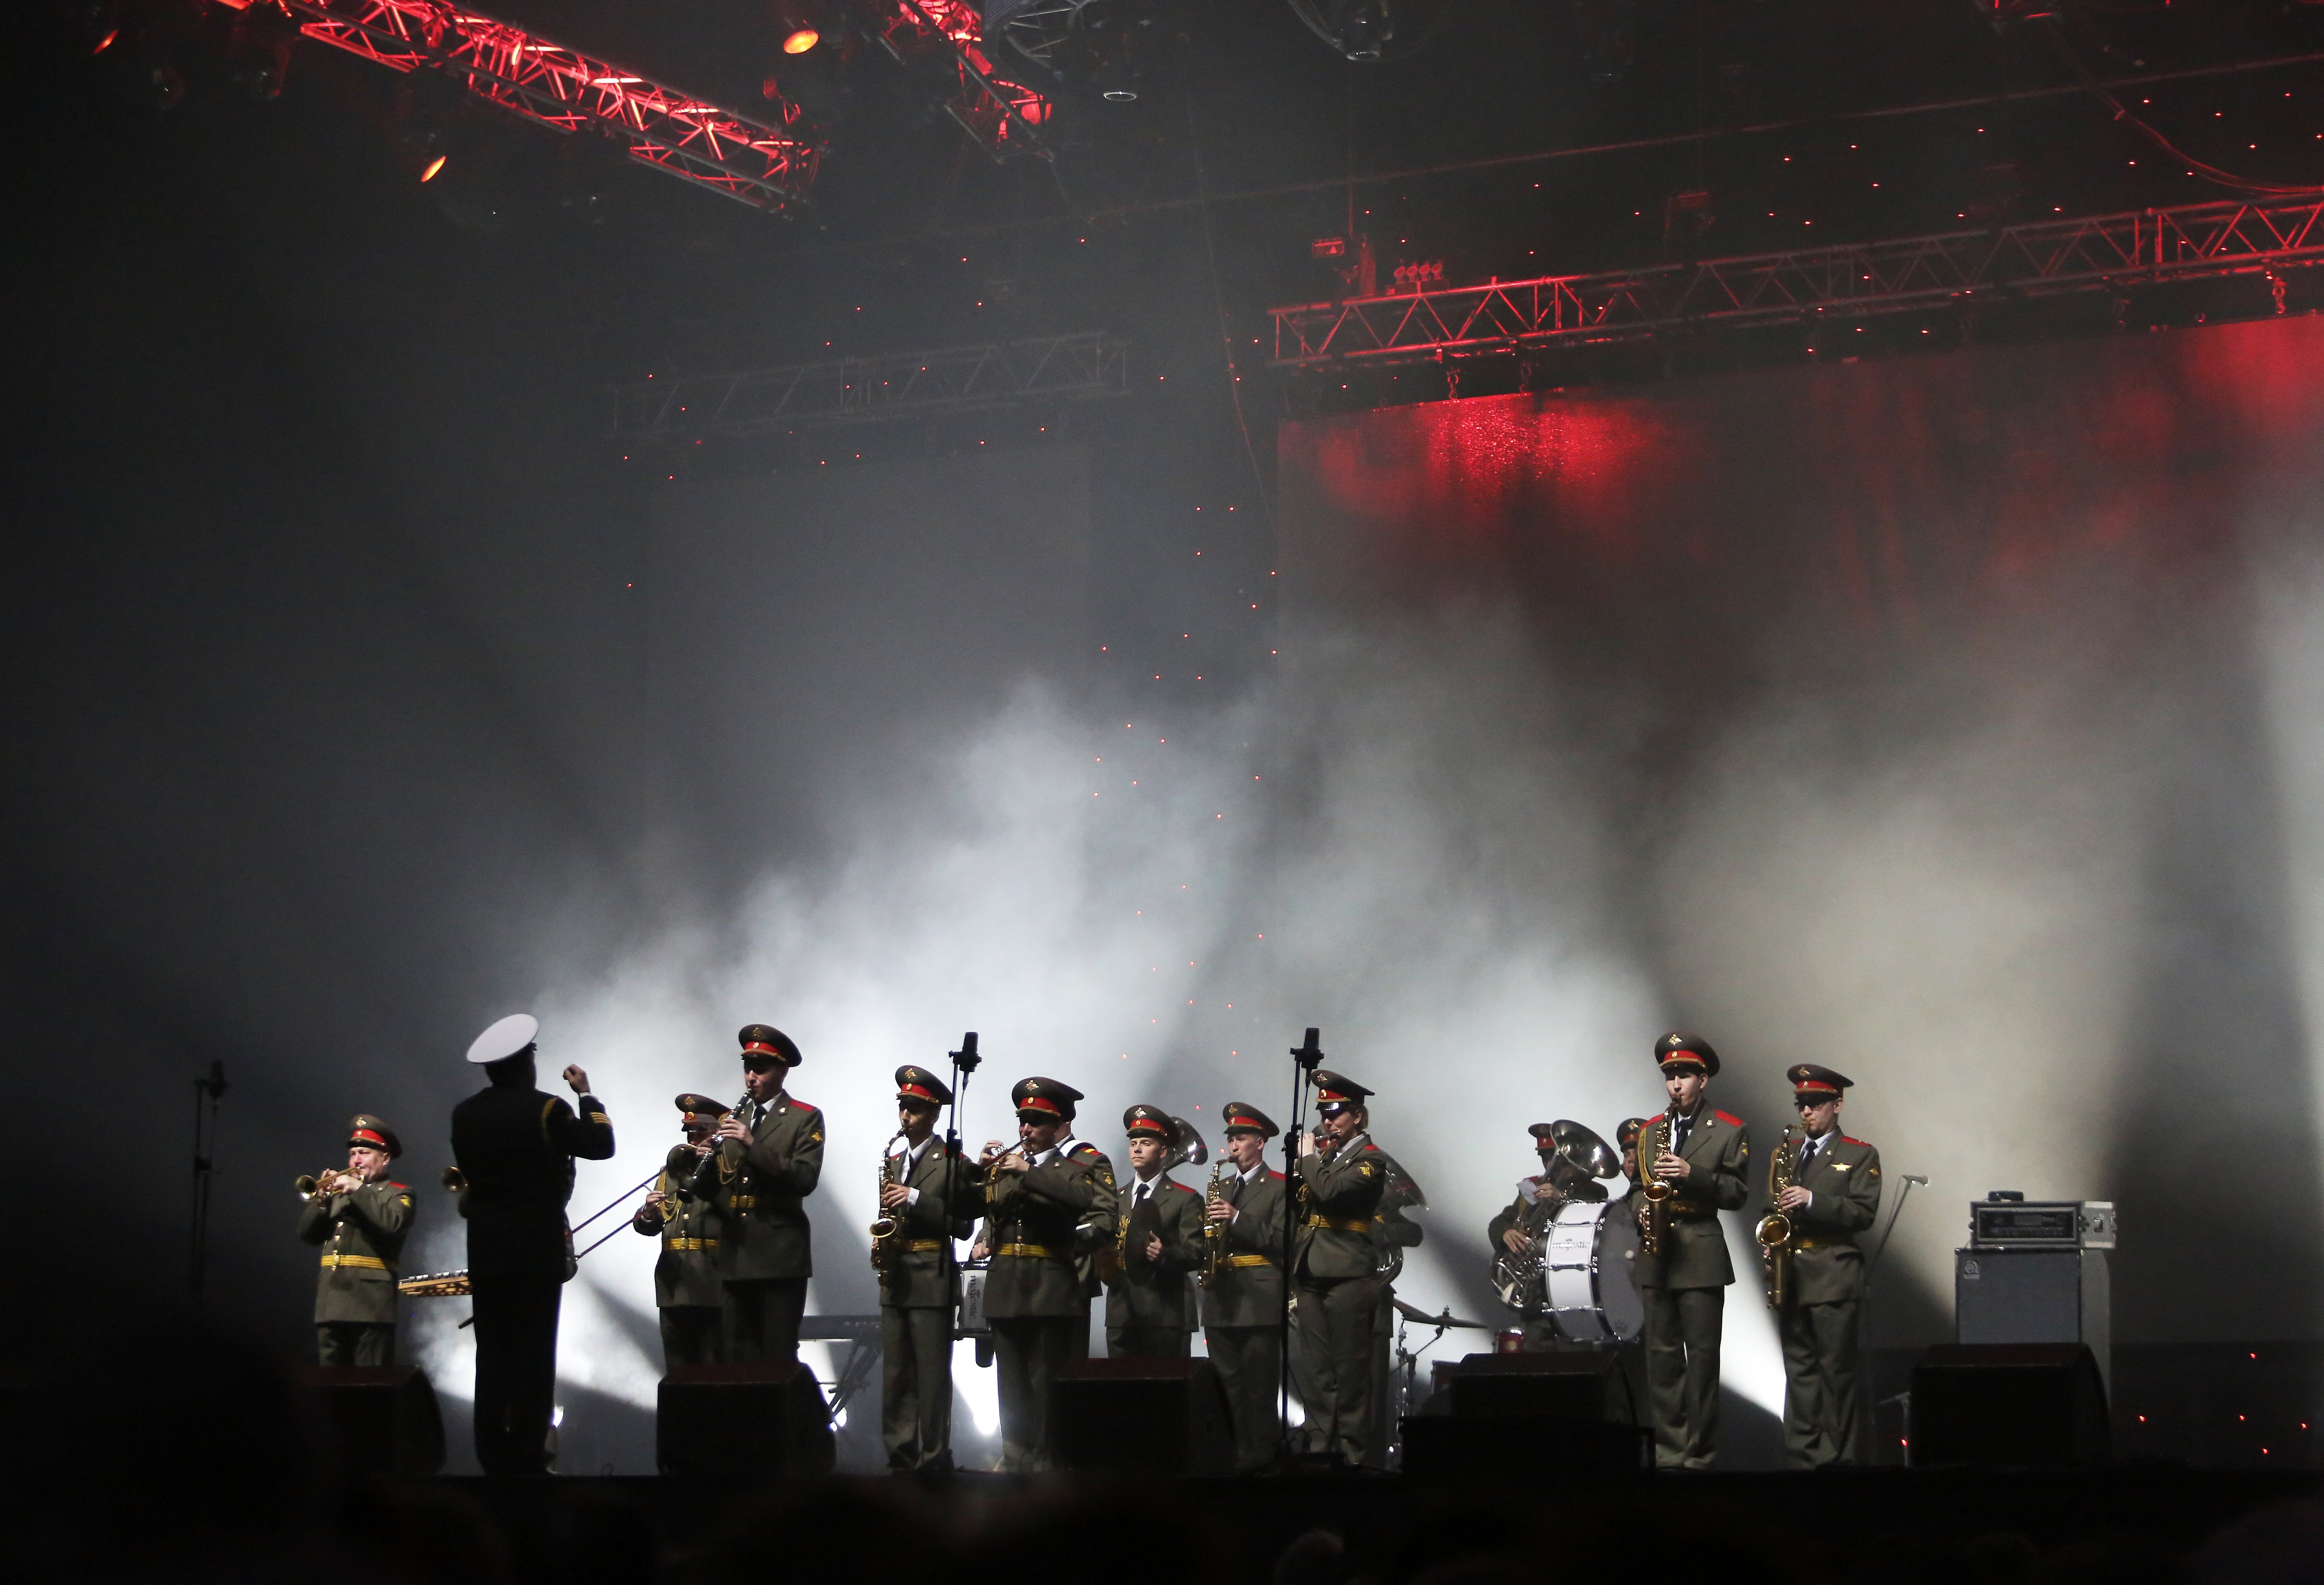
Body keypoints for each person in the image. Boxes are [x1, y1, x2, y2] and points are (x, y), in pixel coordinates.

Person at [449, 1013, 615, 1476]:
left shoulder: (464, 1114)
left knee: (492, 1358)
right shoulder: (548, 1109)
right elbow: (601, 1143)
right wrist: (586, 1095)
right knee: (533, 1359)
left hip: (486, 1252)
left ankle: (492, 1459)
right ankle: (526, 1461)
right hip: (535, 1251)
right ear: (528, 1063)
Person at [973, 1076, 1116, 1471]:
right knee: (1011, 1386)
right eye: (1022, 1120)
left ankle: (1046, 1466)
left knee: (1047, 1383)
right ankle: (1014, 1460)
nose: (1025, 1129)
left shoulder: (1085, 1162)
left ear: (1060, 1124)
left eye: (1036, 1121)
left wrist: (1029, 1173)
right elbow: (979, 1213)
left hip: (1051, 1284)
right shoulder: (1007, 1165)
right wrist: (978, 1172)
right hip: (1006, 1284)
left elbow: (1095, 1211)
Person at [1627, 1030, 1750, 1470]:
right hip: (1657, 1252)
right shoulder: (1649, 1131)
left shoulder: (1730, 1129)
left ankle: (1700, 1454)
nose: (1675, 1085)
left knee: (1701, 1360)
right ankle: (1669, 1452)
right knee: (1660, 1359)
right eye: (1670, 1077)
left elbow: (1736, 1193)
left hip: (1699, 1251)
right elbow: (1637, 1188)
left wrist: (1690, 1172)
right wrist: (1642, 1212)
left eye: (1684, 1076)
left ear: (1703, 1080)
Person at [1772, 1063, 1882, 1468]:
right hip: (1792, 1275)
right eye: (1801, 1103)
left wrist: (1812, 1200)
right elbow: (1772, 1209)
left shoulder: (1859, 1153)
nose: (1806, 1111)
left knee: (1836, 1374)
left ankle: (1839, 1461)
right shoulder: (1786, 1153)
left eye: (1816, 1103)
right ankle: (1803, 1458)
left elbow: (1863, 1213)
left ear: (1837, 1105)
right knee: (1799, 1372)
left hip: (1834, 1273)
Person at [875, 1065, 978, 1471]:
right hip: (897, 1276)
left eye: (915, 1109)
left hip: (931, 1274)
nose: (905, 1116)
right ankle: (900, 1457)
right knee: (896, 1375)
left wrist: (915, 1198)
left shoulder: (953, 1160)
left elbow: (964, 1225)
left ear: (934, 1114)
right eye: (903, 1107)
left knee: (932, 1377)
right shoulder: (894, 1158)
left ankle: (935, 1458)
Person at [704, 1023, 824, 1367]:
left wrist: (752, 1144)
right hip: (736, 1252)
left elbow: (804, 1179)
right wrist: (703, 1171)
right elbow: (725, 1187)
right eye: (748, 1068)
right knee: (736, 1359)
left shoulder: (804, 1118)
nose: (751, 1077)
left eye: (761, 1069)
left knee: (776, 1359)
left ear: (782, 1071)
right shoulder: (734, 1118)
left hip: (778, 1255)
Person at [1291, 1069, 1391, 1467]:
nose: (1328, 1122)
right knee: (1316, 1370)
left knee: (1350, 1371)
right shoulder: (1324, 1159)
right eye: (1324, 1114)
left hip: (1348, 1272)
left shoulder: (1371, 1159)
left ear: (1358, 1117)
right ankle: (1321, 1448)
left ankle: (1354, 1456)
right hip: (1312, 1269)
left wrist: (1307, 1159)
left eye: (1336, 1114)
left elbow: (1330, 1193)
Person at [1201, 1102, 1287, 1473]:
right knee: (1227, 1386)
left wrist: (1237, 1218)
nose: (1233, 1146)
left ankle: (1263, 1456)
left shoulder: (1280, 1186)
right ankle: (1233, 1454)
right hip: (1222, 1297)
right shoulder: (1221, 1186)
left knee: (1259, 1387)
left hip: (1260, 1298)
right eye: (1231, 1139)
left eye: (1241, 1139)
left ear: (1261, 1142)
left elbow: (1283, 1240)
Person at [298, 1114, 414, 1366]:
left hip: (371, 1306)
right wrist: (322, 1201)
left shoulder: (399, 1194)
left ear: (385, 1158)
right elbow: (307, 1235)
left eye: (364, 1153)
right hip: (330, 1303)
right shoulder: (339, 1195)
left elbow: (392, 1225)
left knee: (369, 1384)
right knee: (330, 1384)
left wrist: (358, 1190)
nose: (356, 1160)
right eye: (353, 1154)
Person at [1488, 1121, 1612, 1350]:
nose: (1549, 1164)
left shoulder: (1592, 1191)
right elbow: (1500, 1221)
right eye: (1545, 1157)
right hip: (1537, 1297)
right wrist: (1507, 1233)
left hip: (1572, 1292)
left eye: (1553, 1156)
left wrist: (1563, 1198)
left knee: (1575, 1360)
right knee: (1536, 1360)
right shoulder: (1533, 1188)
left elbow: (1595, 1221)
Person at [632, 1093, 727, 1370]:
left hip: (711, 1279)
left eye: (701, 1131)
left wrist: (712, 1164)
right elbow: (652, 1225)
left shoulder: (727, 1170)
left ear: (717, 1133)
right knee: (677, 1366)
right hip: (673, 1281)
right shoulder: (672, 1171)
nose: (693, 1139)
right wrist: (648, 1213)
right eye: (690, 1132)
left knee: (713, 1365)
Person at [1102, 1105, 1204, 1358]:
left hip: (1166, 1313)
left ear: (1164, 1151)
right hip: (1122, 1312)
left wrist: (1165, 1254)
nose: (1137, 1149)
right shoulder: (1116, 1198)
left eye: (1146, 1143)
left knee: (1167, 1383)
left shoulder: (1186, 1198)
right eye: (1133, 1143)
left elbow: (1196, 1253)